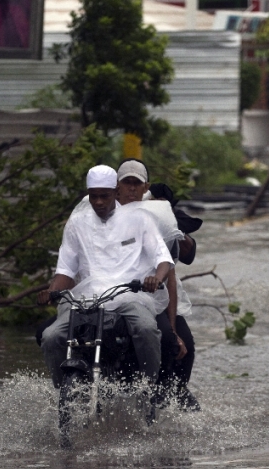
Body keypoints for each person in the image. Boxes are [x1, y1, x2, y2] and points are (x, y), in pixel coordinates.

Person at [37, 165, 174, 395]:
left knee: (146, 327)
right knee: (50, 337)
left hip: (130, 294)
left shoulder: (140, 219)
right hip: (87, 296)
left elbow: (163, 259)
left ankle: (148, 389)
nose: (98, 202)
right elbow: (65, 271)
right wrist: (51, 292)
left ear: (116, 191)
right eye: (93, 196)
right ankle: (63, 395)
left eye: (104, 196)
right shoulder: (77, 223)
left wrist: (156, 278)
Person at [115, 159, 201, 411]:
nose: (131, 189)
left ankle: (170, 395)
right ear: (116, 187)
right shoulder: (99, 212)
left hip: (152, 292)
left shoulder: (158, 215)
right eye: (126, 183)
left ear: (146, 188)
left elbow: (178, 265)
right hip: (109, 291)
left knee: (179, 343)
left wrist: (170, 221)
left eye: (136, 184)